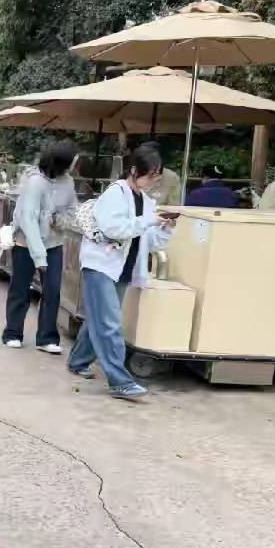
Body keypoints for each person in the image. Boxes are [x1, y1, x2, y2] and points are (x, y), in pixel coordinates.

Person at [67, 143, 175, 400]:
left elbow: (148, 240)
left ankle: (78, 361)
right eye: (151, 175)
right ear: (134, 171)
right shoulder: (115, 193)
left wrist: (165, 229)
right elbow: (113, 229)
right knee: (109, 322)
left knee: (100, 319)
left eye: (157, 175)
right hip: (100, 265)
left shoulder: (145, 201)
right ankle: (120, 381)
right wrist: (149, 221)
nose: (154, 180)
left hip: (122, 267)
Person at [1, 139, 79, 355]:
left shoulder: (68, 182)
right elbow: (28, 220)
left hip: (54, 243)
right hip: (26, 243)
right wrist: (39, 257)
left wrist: (59, 220)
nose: (75, 164)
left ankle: (46, 338)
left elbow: (72, 211)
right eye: (73, 160)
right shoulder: (35, 182)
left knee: (52, 290)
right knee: (20, 289)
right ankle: (12, 333)